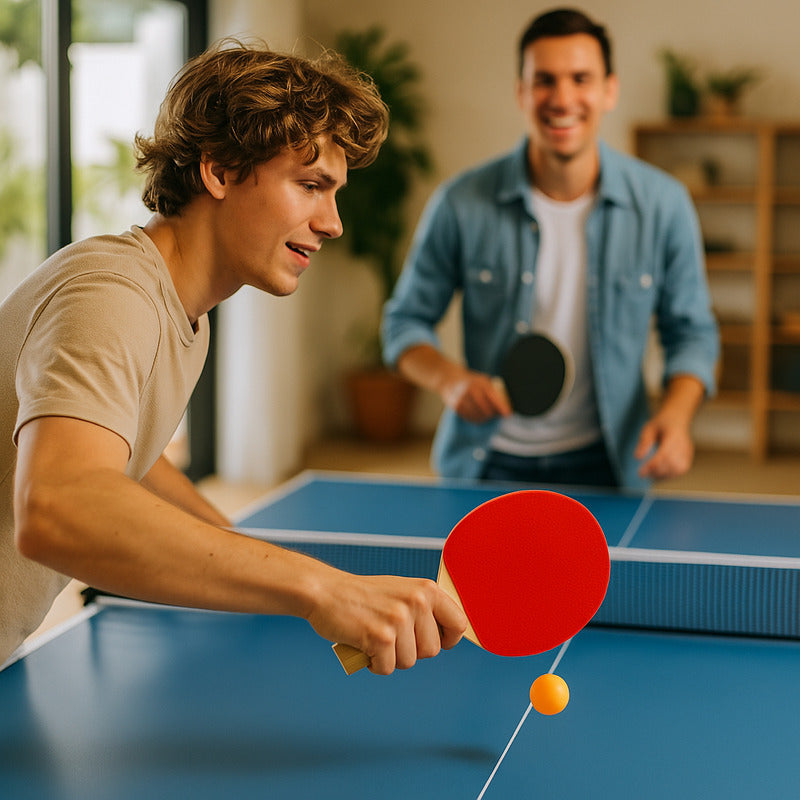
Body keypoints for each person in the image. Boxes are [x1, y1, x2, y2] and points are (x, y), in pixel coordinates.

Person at [0, 41, 466, 672]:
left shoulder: (181, 309)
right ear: (218, 171)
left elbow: (126, 455)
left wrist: (244, 560)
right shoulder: (112, 296)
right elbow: (59, 505)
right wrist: (319, 589)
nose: (333, 222)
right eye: (310, 185)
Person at [382, 8, 719, 490]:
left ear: (609, 89)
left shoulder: (665, 205)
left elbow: (692, 334)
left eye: (580, 79)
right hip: (486, 463)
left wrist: (678, 416)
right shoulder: (460, 202)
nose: (562, 99)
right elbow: (403, 323)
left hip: (610, 464)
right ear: (521, 92)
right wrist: (449, 380)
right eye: (544, 80)